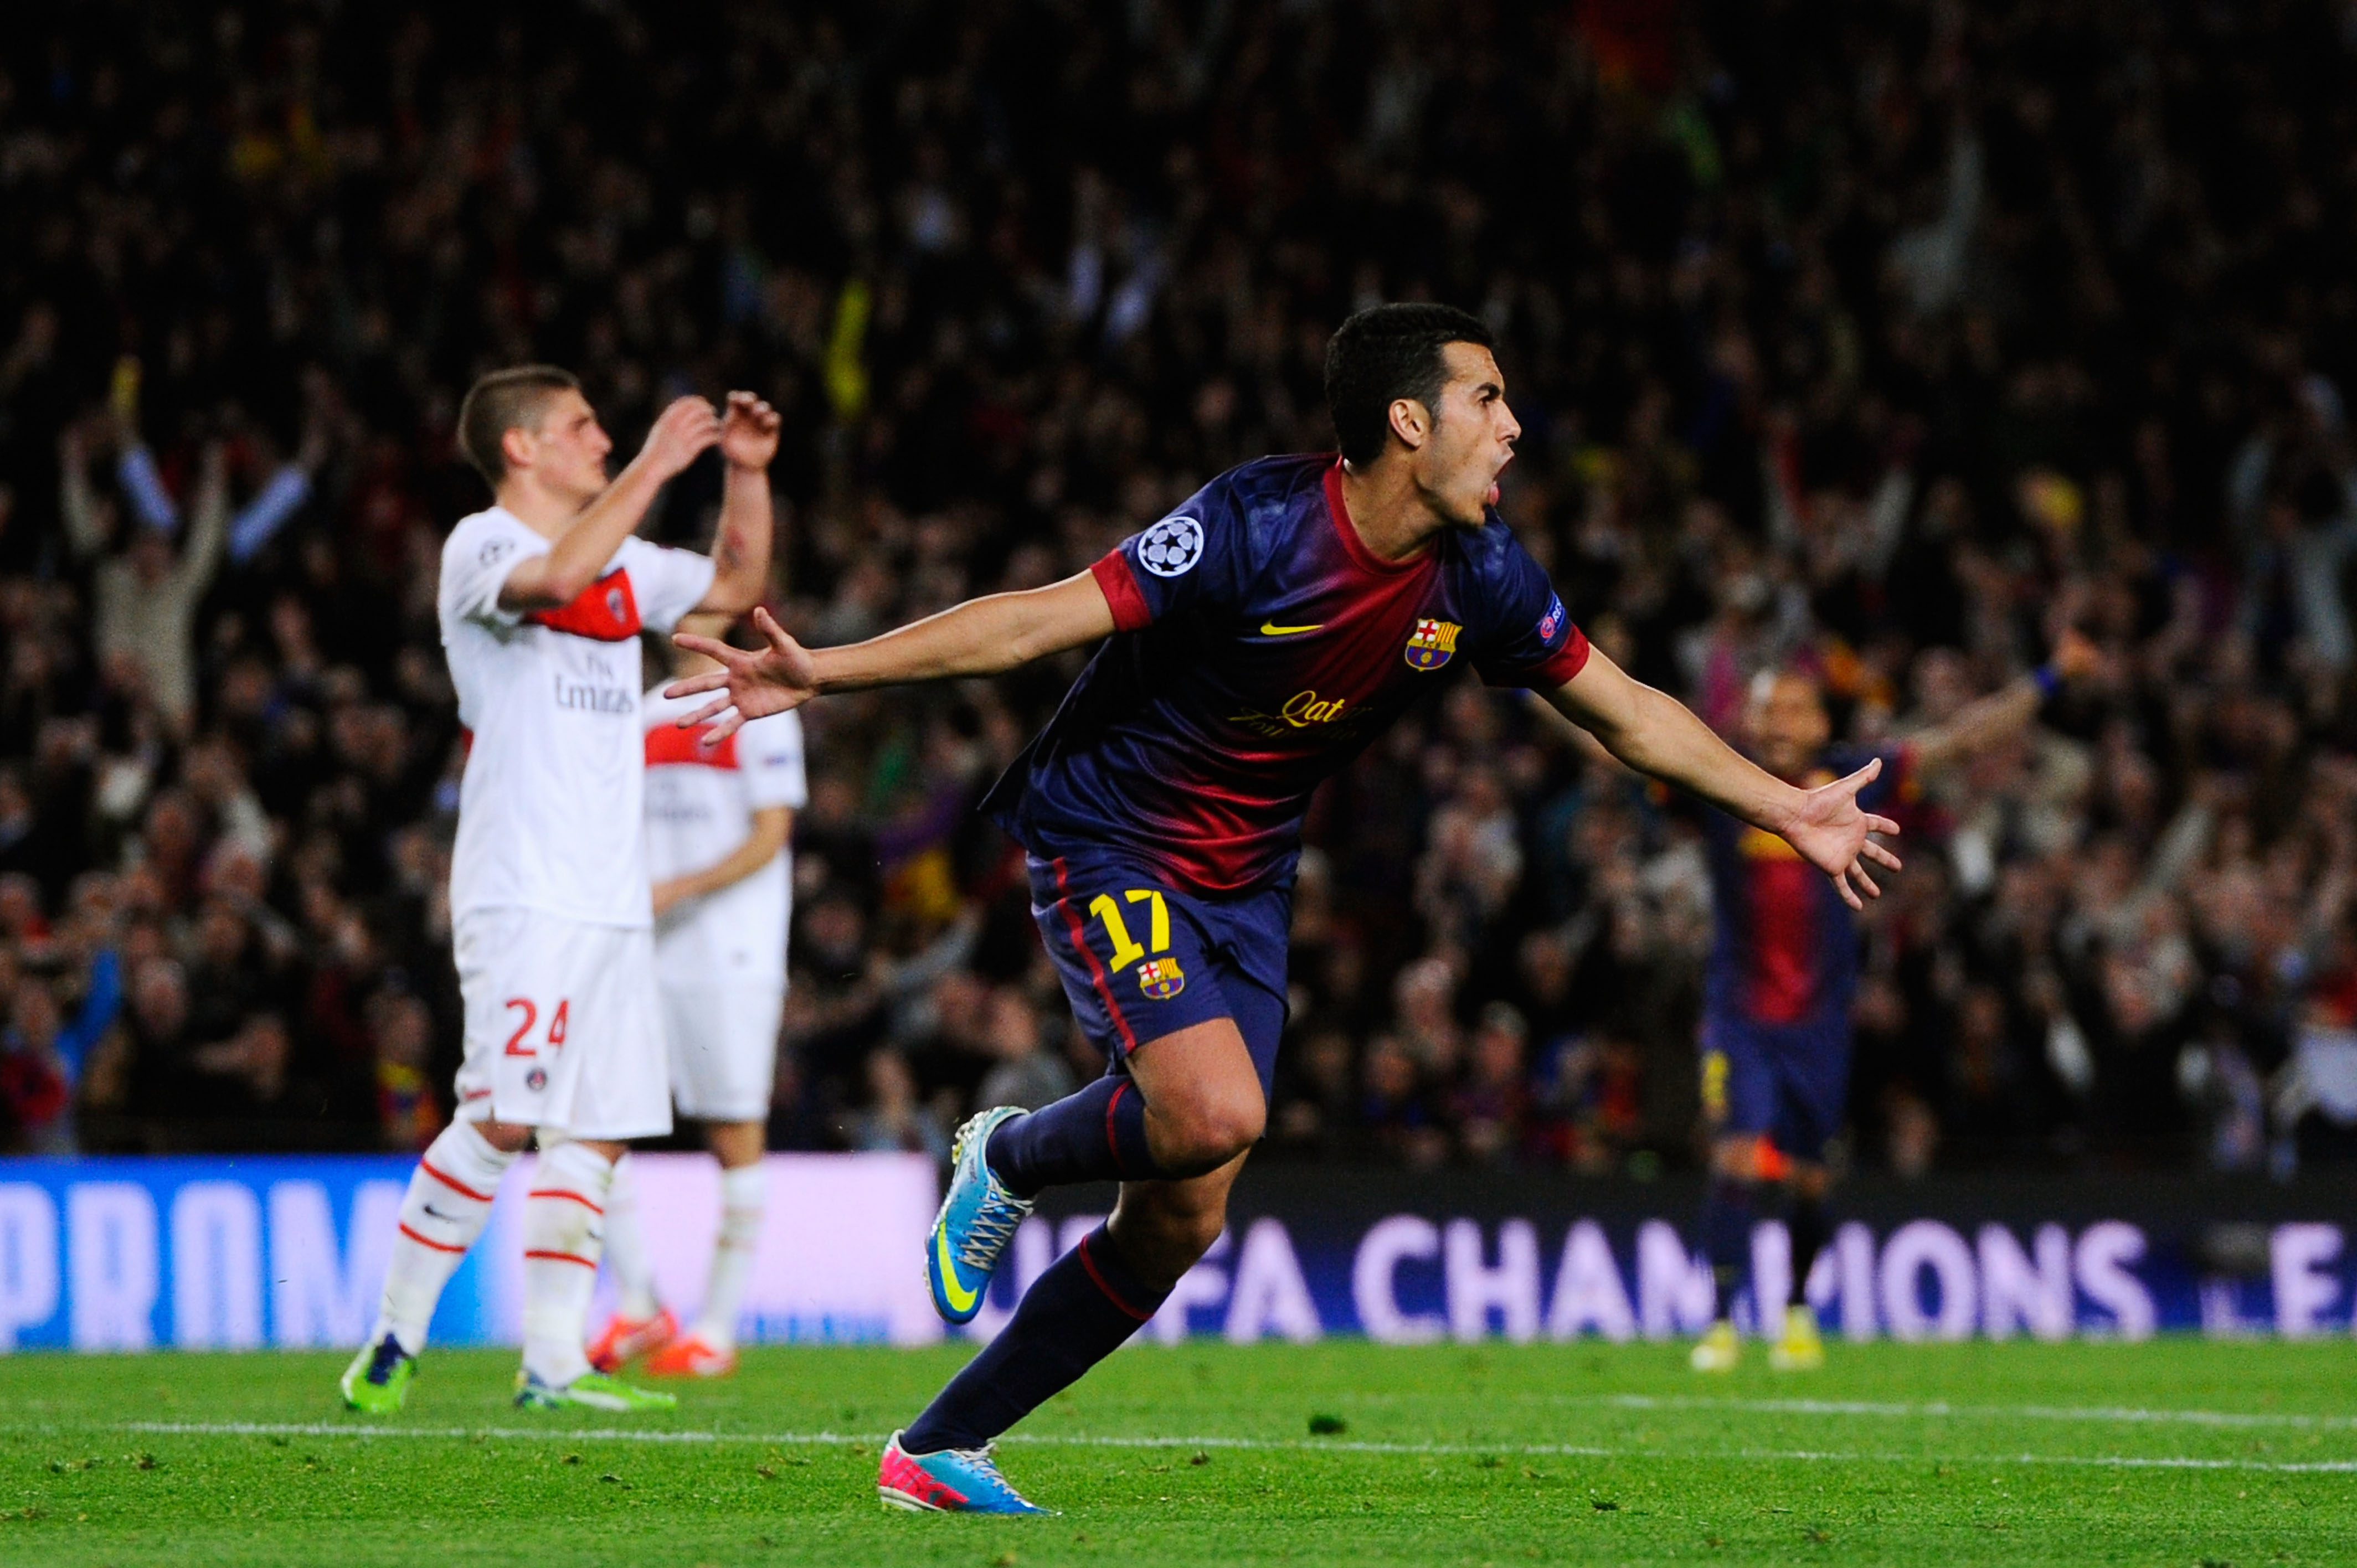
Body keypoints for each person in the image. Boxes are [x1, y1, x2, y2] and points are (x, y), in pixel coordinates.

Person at [669, 303, 1900, 1513]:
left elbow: (1623, 708)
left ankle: (937, 1446)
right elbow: (1042, 617)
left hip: (1247, 877)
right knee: (1210, 1111)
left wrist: (1783, 807)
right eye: (1489, 399)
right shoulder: (1253, 525)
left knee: (1183, 1215)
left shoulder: (1478, 573)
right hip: (1113, 839)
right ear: (1407, 420)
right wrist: (828, 667)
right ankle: (1006, 1154)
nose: (1516, 428)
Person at [338, 365, 776, 1414]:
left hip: (613, 897)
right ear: (522, 447)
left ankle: (552, 1361)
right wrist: (655, 464)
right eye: (582, 428)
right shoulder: (481, 546)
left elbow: (732, 581)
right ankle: (393, 1342)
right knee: (498, 1116)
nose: (602, 440)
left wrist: (746, 477)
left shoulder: (620, 560)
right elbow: (550, 581)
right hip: (523, 888)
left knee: (599, 1131)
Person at [1686, 641, 2094, 1374]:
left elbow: (1966, 737)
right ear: (1746, 718)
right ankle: (1720, 1322)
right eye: (1768, 707)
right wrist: (1532, 670)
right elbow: (1616, 746)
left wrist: (2049, 676)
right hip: (1739, 1014)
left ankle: (1798, 1310)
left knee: (1811, 1174)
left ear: (1821, 721)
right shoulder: (1722, 781)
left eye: (1796, 706)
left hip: (1820, 1021)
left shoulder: (1856, 780)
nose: (1781, 721)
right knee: (1739, 1154)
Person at [588, 617, 807, 1380]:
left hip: (730, 950)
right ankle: (642, 1305)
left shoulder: (765, 707)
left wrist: (679, 887)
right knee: (597, 1119)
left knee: (732, 1132)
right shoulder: (642, 713)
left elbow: (771, 832)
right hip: (643, 949)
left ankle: (715, 1330)